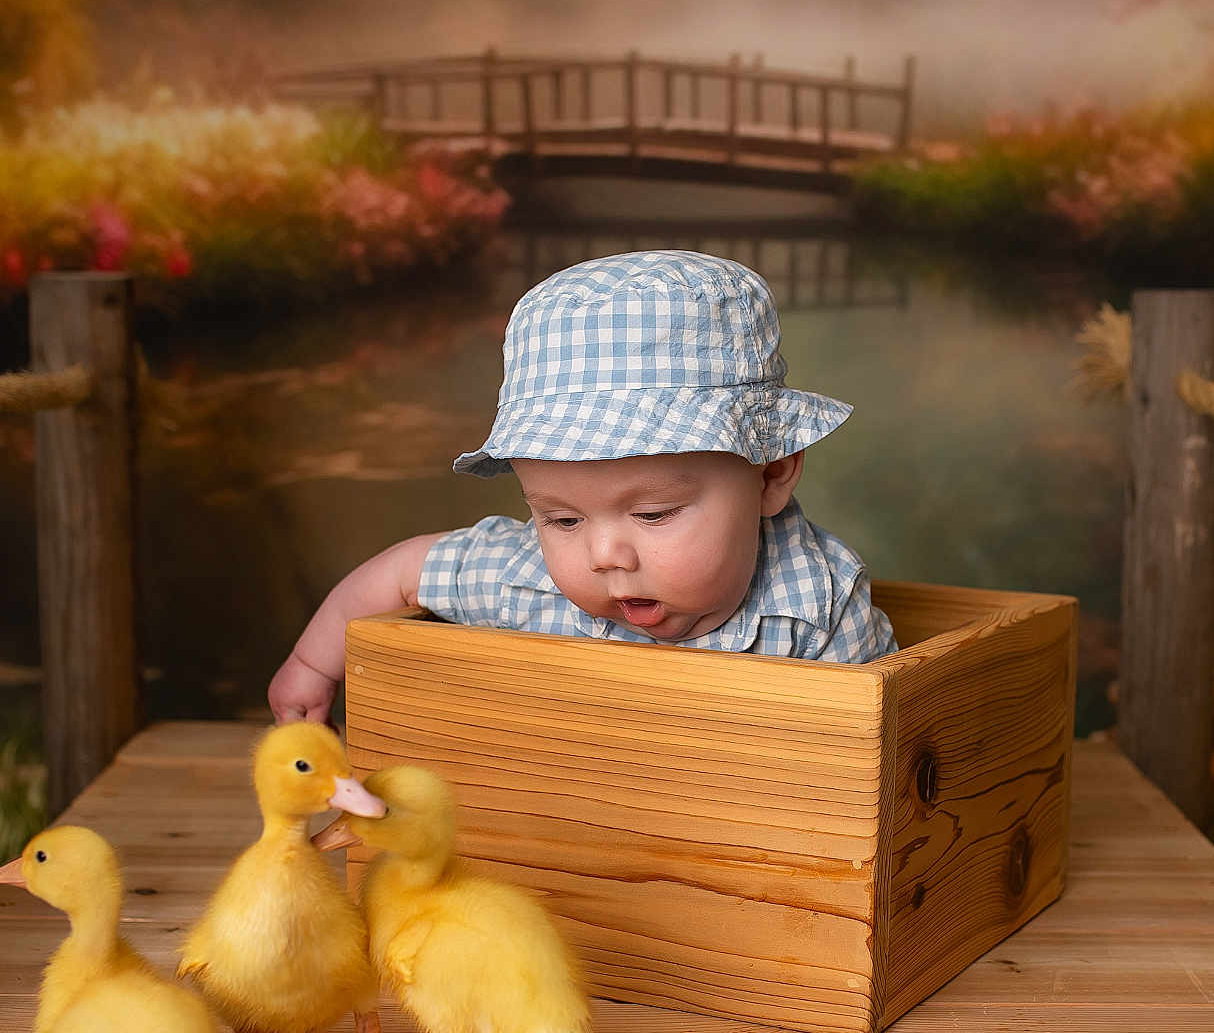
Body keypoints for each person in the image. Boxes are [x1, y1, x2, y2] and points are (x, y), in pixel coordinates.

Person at [268, 250, 896, 725]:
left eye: (652, 514)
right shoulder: (524, 578)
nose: (604, 556)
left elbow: (877, 743)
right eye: (562, 521)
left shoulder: (818, 605)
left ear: (771, 473)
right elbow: (404, 572)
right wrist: (314, 665)